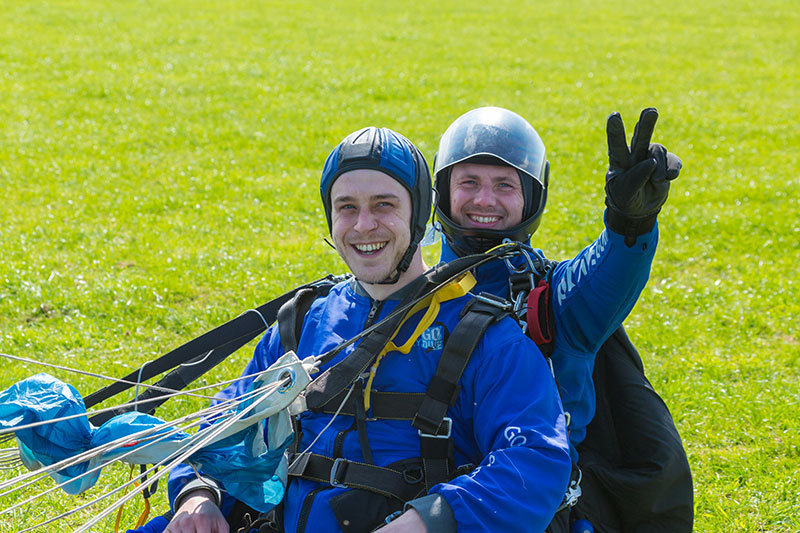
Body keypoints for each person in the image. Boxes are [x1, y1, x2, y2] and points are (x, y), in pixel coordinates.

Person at [163, 127, 572, 532]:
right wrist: (199, 494)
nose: (363, 226)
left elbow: (536, 461)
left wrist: (431, 521)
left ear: (419, 214)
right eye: (346, 207)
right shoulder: (302, 322)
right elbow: (227, 423)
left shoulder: (483, 335)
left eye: (384, 205)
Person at [432, 107, 692, 530]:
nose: (484, 200)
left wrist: (631, 223)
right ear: (443, 191)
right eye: (469, 183)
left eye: (504, 185)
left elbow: (603, 275)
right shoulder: (411, 295)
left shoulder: (554, 300)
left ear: (531, 198)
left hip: (536, 513)